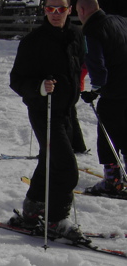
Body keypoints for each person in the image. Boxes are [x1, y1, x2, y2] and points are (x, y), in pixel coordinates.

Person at [8, 0, 87, 242]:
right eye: (50, 9)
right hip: (44, 111)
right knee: (65, 167)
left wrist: (82, 87)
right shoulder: (33, 42)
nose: (55, 13)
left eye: (60, 9)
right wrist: (39, 87)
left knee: (49, 160)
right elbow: (16, 80)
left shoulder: (76, 35)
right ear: (44, 10)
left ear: (69, 10)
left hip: (66, 111)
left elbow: (79, 66)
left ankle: (33, 209)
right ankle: (55, 219)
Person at [76, 0, 127, 195]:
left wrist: (94, 91)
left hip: (114, 93)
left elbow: (97, 67)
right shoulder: (120, 20)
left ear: (81, 10)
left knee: (107, 136)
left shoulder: (92, 30)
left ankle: (112, 181)